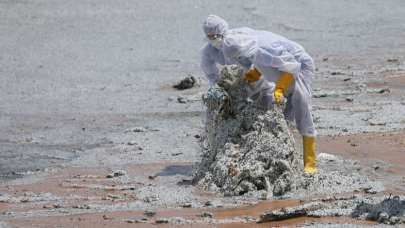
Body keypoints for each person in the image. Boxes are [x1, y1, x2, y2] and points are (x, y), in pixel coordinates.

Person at [222, 31, 318, 174]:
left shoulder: (265, 49)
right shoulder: (248, 46)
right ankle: (285, 154)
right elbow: (264, 64)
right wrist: (255, 73)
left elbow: (291, 66)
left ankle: (310, 163)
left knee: (300, 104)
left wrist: (280, 88)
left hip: (299, 68)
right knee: (284, 119)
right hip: (284, 69)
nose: (238, 59)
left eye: (238, 56)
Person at [200, 15, 274, 107]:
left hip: (257, 74)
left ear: (223, 31)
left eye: (217, 35)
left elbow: (259, 56)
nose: (214, 39)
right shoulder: (208, 51)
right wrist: (220, 89)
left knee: (267, 100)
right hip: (237, 80)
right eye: (210, 37)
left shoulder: (240, 39)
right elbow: (211, 74)